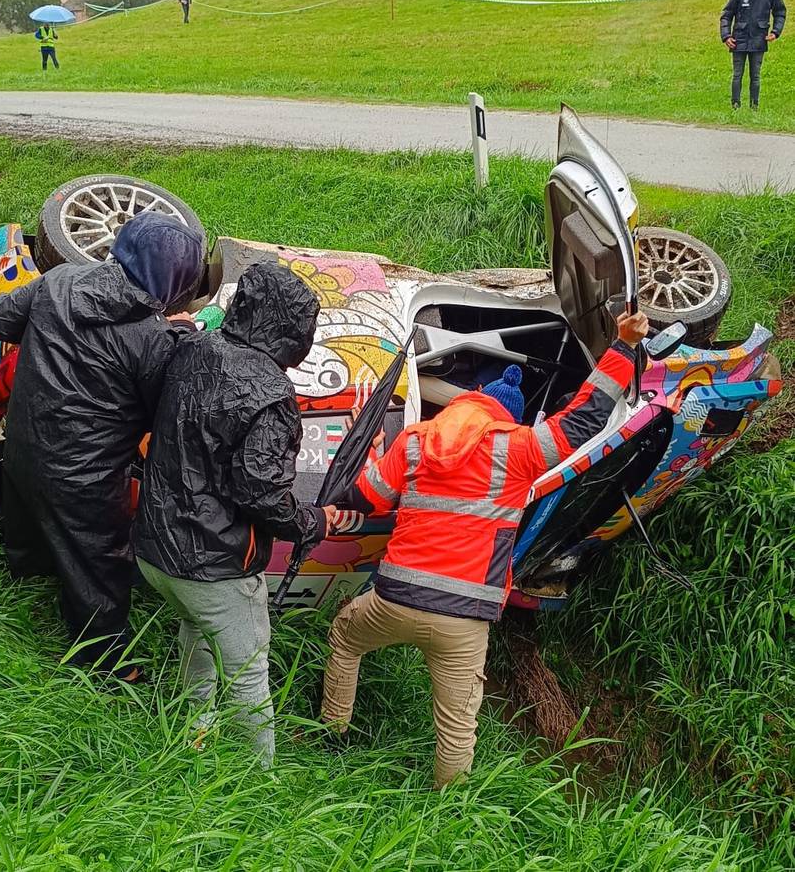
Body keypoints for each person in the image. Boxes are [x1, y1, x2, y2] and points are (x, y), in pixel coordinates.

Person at [321, 309, 650, 788]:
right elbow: (585, 421)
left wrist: (371, 445)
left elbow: (362, 499)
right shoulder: (520, 449)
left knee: (345, 641)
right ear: (505, 416)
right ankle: (448, 812)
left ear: (466, 404)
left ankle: (332, 735)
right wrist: (622, 347)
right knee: (457, 727)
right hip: (464, 616)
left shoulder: (416, 441)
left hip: (391, 599)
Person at [0, 211, 204, 676]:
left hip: (21, 447)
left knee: (27, 519)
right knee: (100, 564)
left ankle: (25, 574)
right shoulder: (153, 338)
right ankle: (103, 661)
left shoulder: (59, 281)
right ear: (173, 284)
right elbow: (164, 413)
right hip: (85, 479)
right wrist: (183, 333)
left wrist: (49, 332)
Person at [133, 262, 335, 765]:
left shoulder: (193, 349)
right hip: (214, 566)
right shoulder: (272, 394)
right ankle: (258, 779)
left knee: (196, 632)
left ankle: (191, 732)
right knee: (247, 673)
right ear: (294, 331)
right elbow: (262, 494)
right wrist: (310, 523)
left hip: (155, 549)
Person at [720, 0, 786, 109]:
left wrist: (776, 32)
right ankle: (735, 106)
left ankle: (754, 106)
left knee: (755, 76)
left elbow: (780, 12)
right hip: (739, 40)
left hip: (759, 40)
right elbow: (726, 15)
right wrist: (726, 36)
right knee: (737, 75)